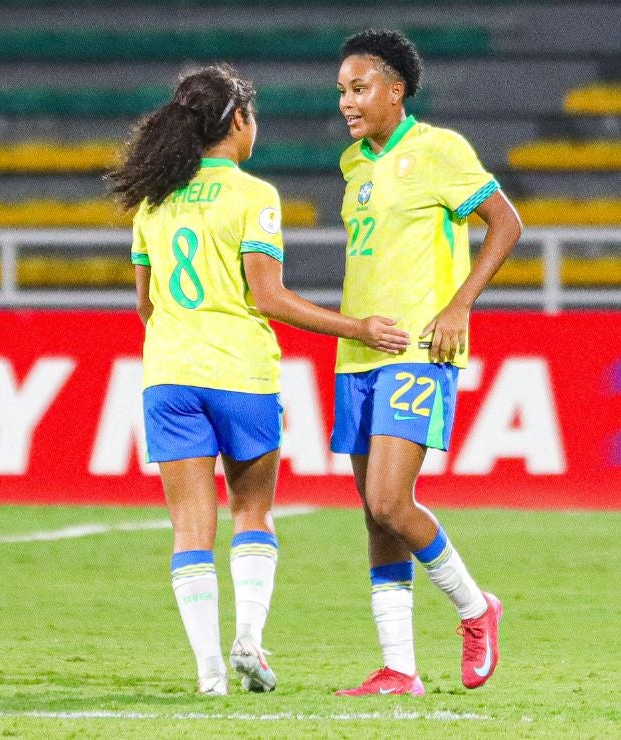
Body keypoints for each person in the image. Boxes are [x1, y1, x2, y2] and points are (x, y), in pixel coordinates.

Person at [107, 64, 409, 697]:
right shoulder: (253, 196)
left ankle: (209, 673)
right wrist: (358, 328)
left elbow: (146, 304)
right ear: (237, 121)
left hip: (168, 376)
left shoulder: (152, 200)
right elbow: (268, 298)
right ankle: (249, 635)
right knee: (253, 509)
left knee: (191, 527)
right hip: (239, 372)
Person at [330, 29, 521, 697]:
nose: (348, 102)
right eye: (342, 92)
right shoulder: (353, 165)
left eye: (359, 89)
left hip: (418, 350)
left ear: (396, 90)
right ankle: (399, 668)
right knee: (373, 513)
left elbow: (505, 222)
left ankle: (476, 608)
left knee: (390, 498)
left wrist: (459, 305)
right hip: (357, 354)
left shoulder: (440, 150)